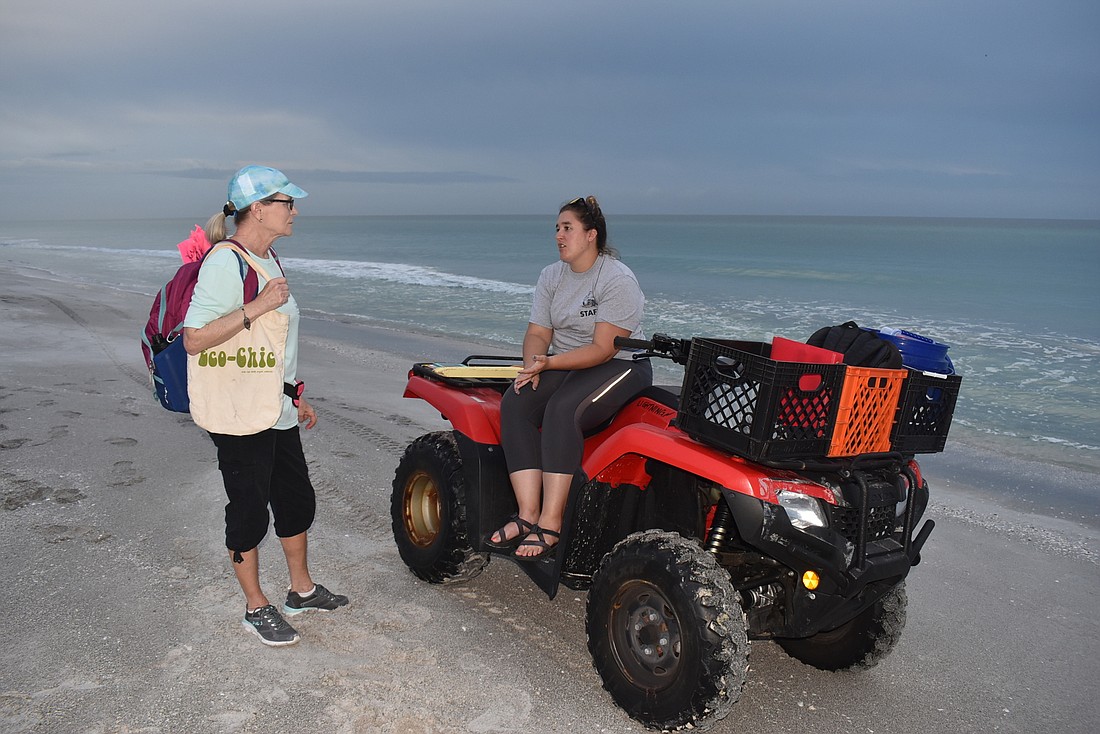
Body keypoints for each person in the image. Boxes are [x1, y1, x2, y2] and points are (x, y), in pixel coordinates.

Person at [182, 165, 348, 646]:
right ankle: (256, 606)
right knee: (250, 509)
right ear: (258, 208)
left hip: (274, 407)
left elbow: (274, 345)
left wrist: (297, 396)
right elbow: (194, 339)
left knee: (296, 502)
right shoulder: (223, 262)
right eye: (287, 203)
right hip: (237, 412)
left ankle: (301, 589)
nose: (294, 211)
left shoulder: (269, 258)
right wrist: (257, 306)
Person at [489, 196, 652, 560]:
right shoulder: (551, 275)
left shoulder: (616, 278)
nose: (559, 236)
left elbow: (603, 349)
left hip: (620, 364)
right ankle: (527, 514)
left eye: (567, 228)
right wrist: (534, 364)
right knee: (515, 401)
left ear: (591, 235)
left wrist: (550, 364)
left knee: (562, 409)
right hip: (560, 362)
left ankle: (551, 523)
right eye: (557, 229)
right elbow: (537, 332)